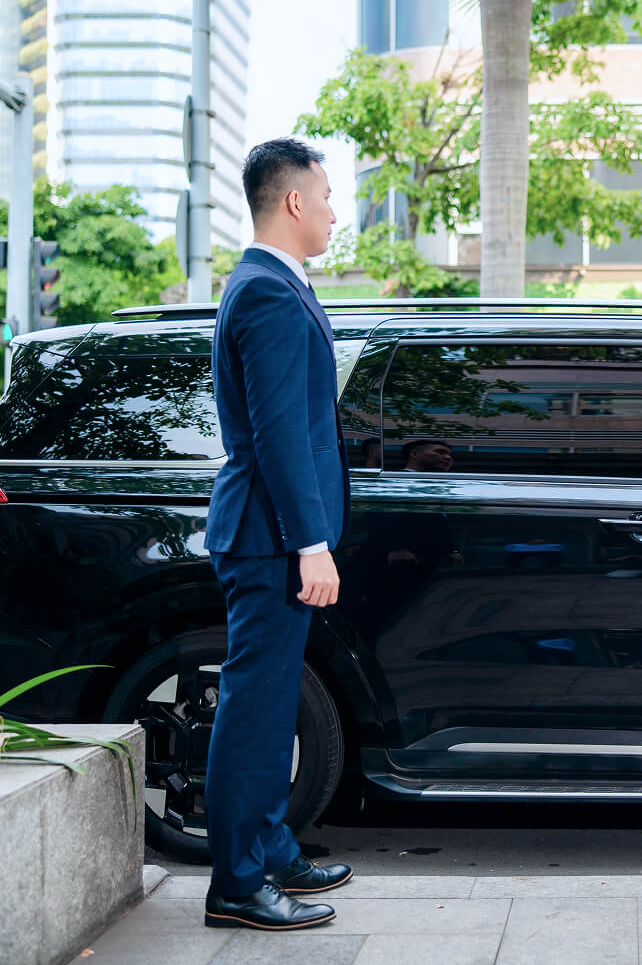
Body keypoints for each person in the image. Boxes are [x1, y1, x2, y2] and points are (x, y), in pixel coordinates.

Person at [202, 138, 354, 930]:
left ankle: (269, 850)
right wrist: (310, 540)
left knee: (269, 704)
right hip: (269, 538)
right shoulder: (263, 291)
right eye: (326, 195)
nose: (334, 210)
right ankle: (235, 885)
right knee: (255, 712)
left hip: (272, 535)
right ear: (293, 202)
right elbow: (278, 435)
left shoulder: (278, 285)